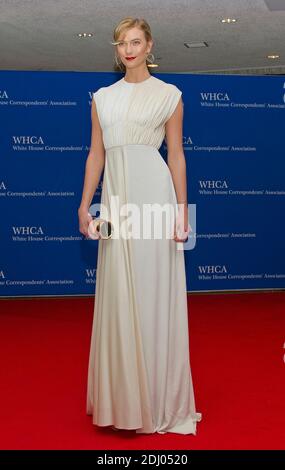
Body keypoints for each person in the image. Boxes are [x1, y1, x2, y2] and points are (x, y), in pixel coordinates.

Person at [78, 16, 202, 435]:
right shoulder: (102, 98)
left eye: (135, 42)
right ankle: (124, 400)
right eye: (120, 43)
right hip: (113, 206)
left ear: (150, 45)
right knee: (117, 293)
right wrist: (84, 205)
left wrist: (183, 211)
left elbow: (177, 156)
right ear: (116, 50)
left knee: (152, 294)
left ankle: (156, 399)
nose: (128, 49)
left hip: (155, 200)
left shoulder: (169, 95)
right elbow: (96, 155)